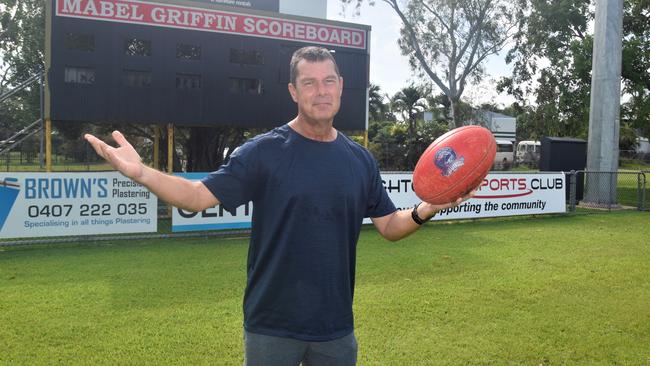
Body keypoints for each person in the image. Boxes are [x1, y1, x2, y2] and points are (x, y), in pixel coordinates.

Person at [85, 46, 470, 366]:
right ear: (293, 91)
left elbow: (389, 226)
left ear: (341, 87)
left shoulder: (360, 160)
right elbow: (197, 197)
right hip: (271, 326)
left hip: (335, 328)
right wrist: (142, 173)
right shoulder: (264, 152)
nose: (321, 91)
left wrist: (427, 207)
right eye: (310, 83)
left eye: (329, 81)